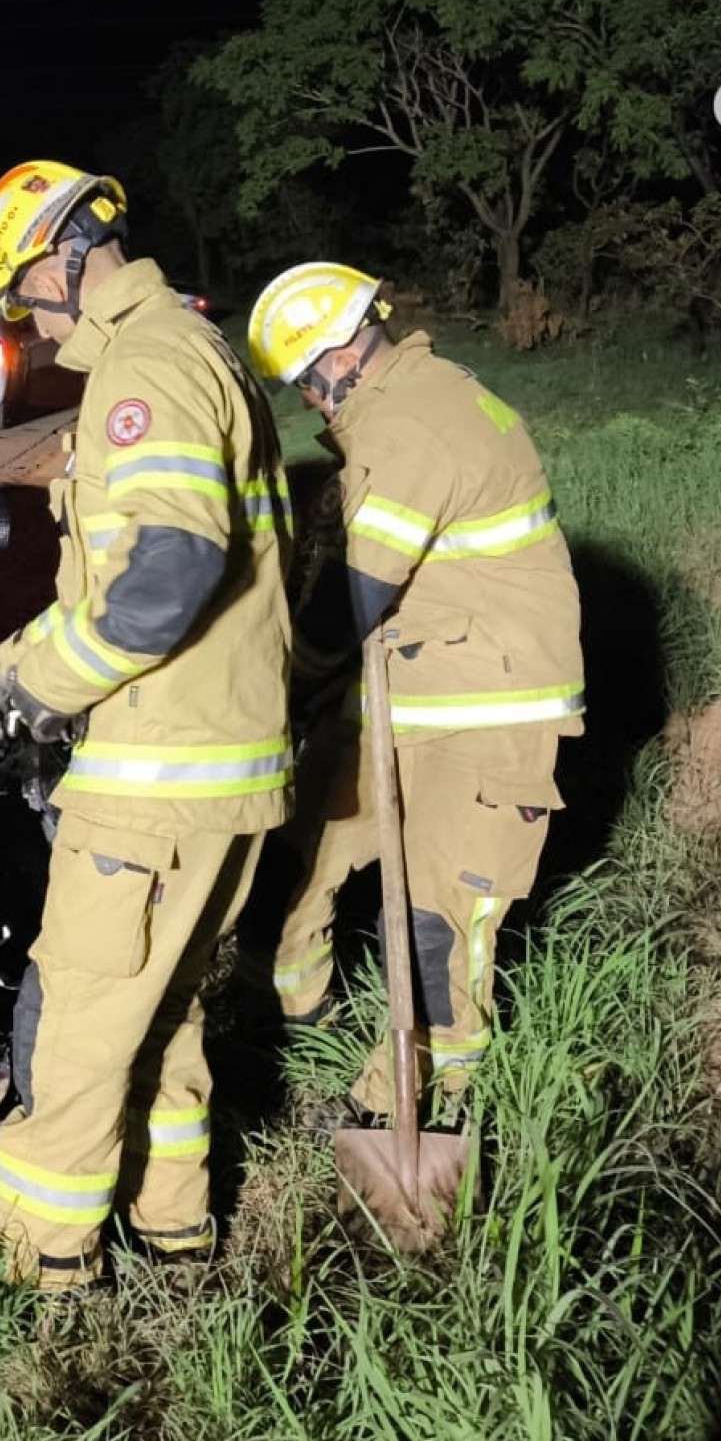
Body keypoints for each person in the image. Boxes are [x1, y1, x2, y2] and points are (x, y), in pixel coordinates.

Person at [0, 160, 294, 1290]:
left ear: (63, 259)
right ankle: (175, 1234)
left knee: (80, 1026)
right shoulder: (194, 352)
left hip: (155, 778)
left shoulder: (147, 364)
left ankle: (39, 1276)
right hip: (220, 767)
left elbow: (165, 577)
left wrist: (26, 689)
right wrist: (17, 657)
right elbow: (129, 568)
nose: (34, 328)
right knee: (169, 1017)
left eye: (29, 300)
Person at [242, 262, 583, 1112]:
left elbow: (354, 594)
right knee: (307, 841)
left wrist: (276, 692)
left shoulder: (408, 429)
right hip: (414, 686)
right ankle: (299, 1020)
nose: (312, 405)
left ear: (334, 361)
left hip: (485, 712)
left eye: (304, 387)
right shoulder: (414, 400)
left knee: (441, 919)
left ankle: (423, 1106)